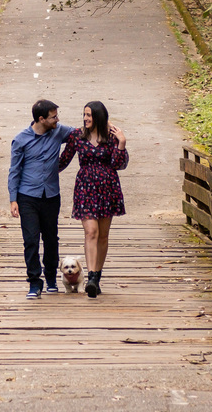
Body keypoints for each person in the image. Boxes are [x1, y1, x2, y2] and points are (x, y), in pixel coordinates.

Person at [59, 101, 128, 298]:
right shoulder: (77, 135)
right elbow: (63, 160)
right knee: (91, 232)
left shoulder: (112, 136)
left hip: (108, 188)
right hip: (85, 188)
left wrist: (121, 143)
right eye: (84, 115)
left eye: (89, 115)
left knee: (103, 235)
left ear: (98, 117)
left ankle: (96, 278)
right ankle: (90, 277)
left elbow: (118, 164)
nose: (86, 118)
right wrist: (38, 171)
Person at [8, 99, 75, 299]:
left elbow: (81, 133)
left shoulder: (59, 131)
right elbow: (14, 171)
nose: (58, 119)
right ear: (41, 119)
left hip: (51, 196)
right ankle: (34, 282)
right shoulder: (21, 139)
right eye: (53, 116)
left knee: (51, 238)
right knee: (31, 240)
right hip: (27, 196)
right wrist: (13, 199)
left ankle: (52, 278)